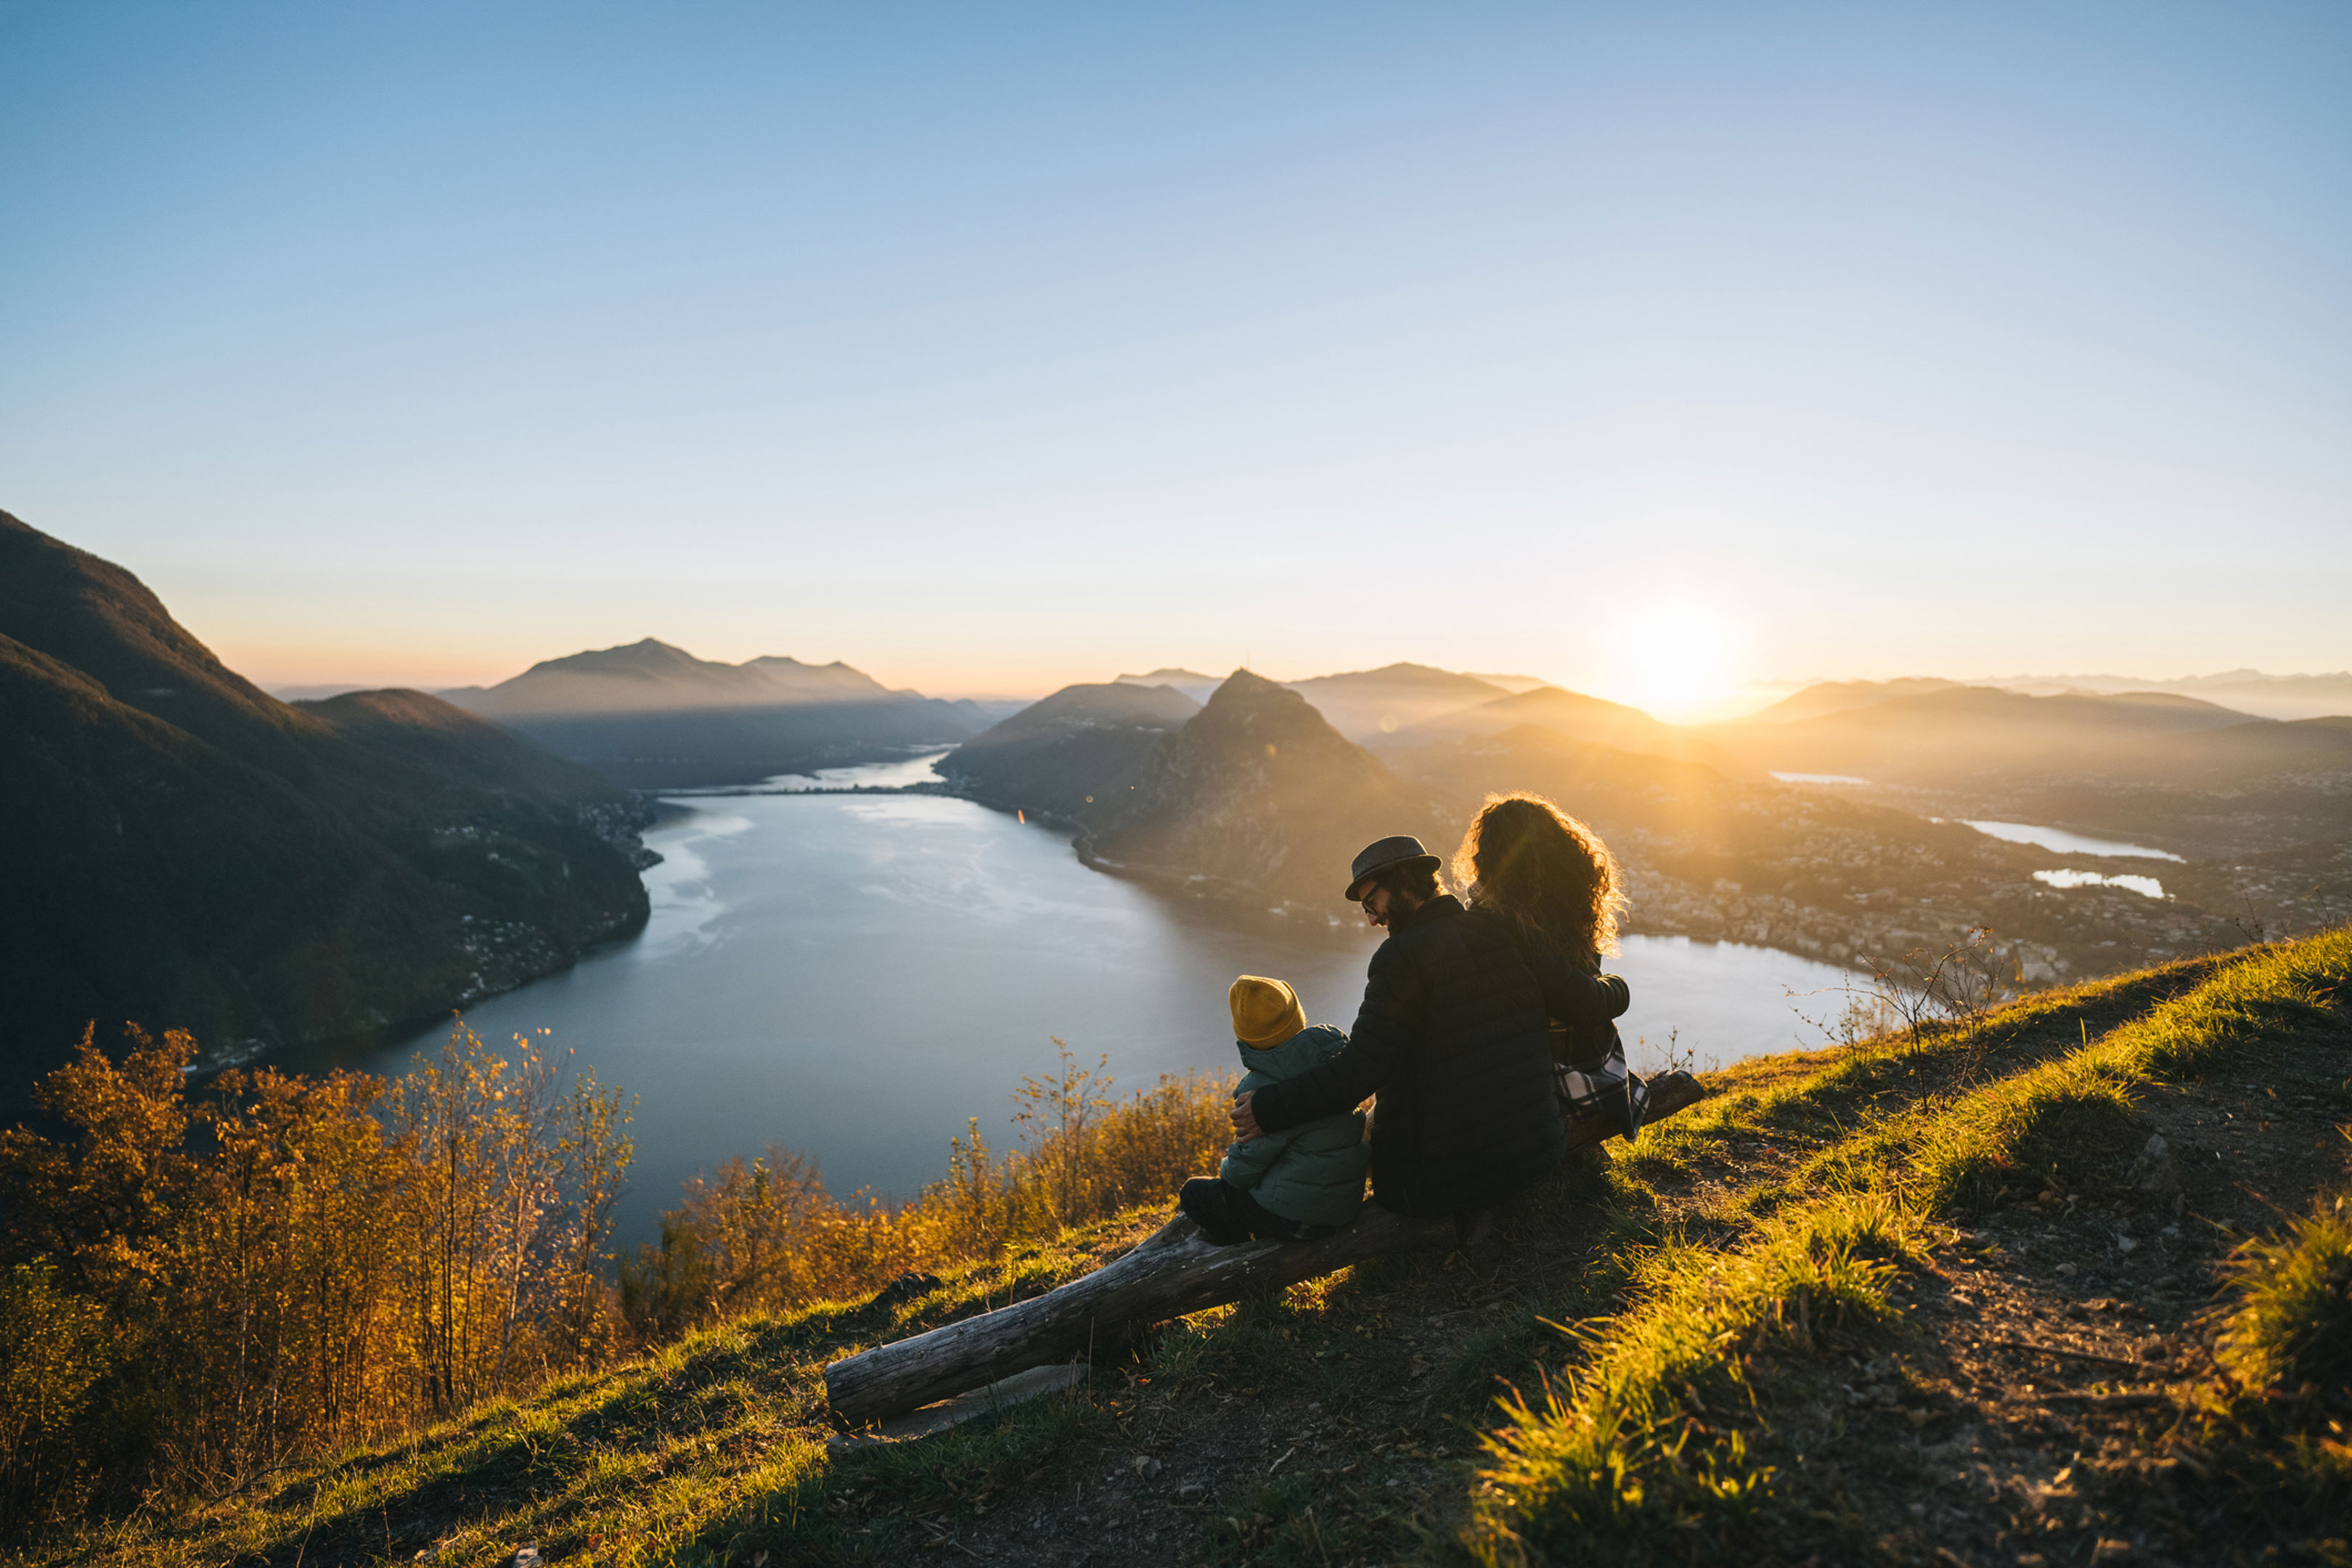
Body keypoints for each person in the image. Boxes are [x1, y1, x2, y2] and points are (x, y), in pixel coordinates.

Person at [1230, 833, 1630, 1221]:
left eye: (1372, 902)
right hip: (1535, 1153)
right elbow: (1586, 1001)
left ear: (1404, 883)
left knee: (1349, 1129)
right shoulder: (1506, 928)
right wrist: (1620, 986)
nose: (1371, 919)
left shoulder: (1400, 958)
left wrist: (1269, 1107)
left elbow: (1360, 1071)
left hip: (1433, 1185)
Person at [1453, 793, 1643, 1137]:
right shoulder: (1555, 917)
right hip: (1580, 1064)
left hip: (1541, 1072)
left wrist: (1613, 989)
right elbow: (1586, 1000)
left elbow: (1582, 1000)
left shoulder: (1501, 919)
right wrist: (1620, 987)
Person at [1178, 975, 1369, 1245]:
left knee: (1194, 1193)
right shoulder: (1334, 1059)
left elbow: (1243, 1170)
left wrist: (1226, 1170)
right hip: (1343, 1204)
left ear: (1245, 1036)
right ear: (1298, 1017)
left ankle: (1238, 1254)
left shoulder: (1261, 1091)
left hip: (1299, 1218)